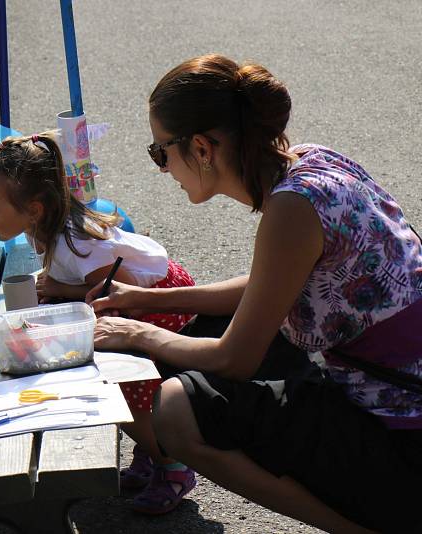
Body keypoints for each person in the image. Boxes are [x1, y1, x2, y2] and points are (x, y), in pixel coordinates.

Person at [86, 53, 422, 533]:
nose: (162, 168)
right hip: (400, 396)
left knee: (176, 410)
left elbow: (235, 358)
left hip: (407, 437)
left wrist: (137, 333)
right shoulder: (312, 162)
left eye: (160, 152)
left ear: (201, 148)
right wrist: (142, 299)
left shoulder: (291, 208)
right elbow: (274, 283)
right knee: (193, 339)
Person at [0, 132, 199, 514]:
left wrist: (58, 288)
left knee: (121, 387)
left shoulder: (76, 239)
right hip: (124, 298)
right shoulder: (43, 227)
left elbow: (112, 295)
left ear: (34, 209)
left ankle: (173, 465)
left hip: (156, 301)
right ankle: (151, 450)